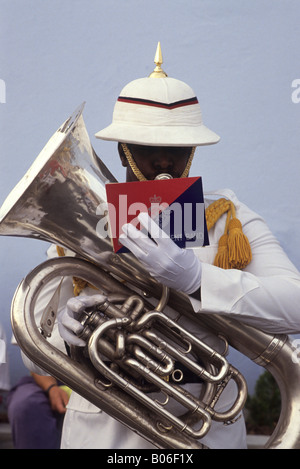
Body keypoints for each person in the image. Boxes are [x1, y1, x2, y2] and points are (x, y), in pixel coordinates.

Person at [28, 44, 300, 449]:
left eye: (177, 149)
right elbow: (35, 350)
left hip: (206, 425)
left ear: (192, 151)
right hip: (105, 432)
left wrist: (197, 279)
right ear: (123, 150)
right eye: (147, 147)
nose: (163, 161)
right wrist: (64, 335)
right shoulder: (82, 221)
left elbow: (295, 306)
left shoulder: (226, 217)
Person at [7, 371, 70, 449]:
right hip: (47, 380)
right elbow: (38, 366)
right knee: (27, 404)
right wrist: (51, 388)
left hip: (85, 387)